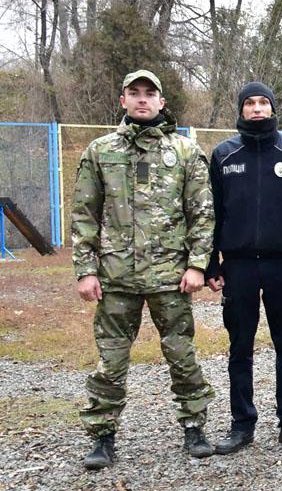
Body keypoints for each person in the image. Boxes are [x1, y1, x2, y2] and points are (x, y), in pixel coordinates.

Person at [71, 69, 216, 469]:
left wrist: (198, 265)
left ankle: (194, 427)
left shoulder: (184, 152)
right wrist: (86, 269)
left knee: (181, 353)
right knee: (111, 359)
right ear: (122, 101)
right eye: (133, 93)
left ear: (161, 101)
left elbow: (201, 214)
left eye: (149, 93)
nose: (141, 100)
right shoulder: (100, 151)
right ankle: (103, 435)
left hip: (171, 276)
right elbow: (84, 215)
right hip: (117, 277)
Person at [205, 81, 282, 455]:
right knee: (240, 347)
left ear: (272, 108)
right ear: (241, 110)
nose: (256, 109)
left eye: (262, 103)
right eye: (249, 103)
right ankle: (242, 423)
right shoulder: (223, 155)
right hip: (237, 266)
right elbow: (212, 215)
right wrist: (211, 264)